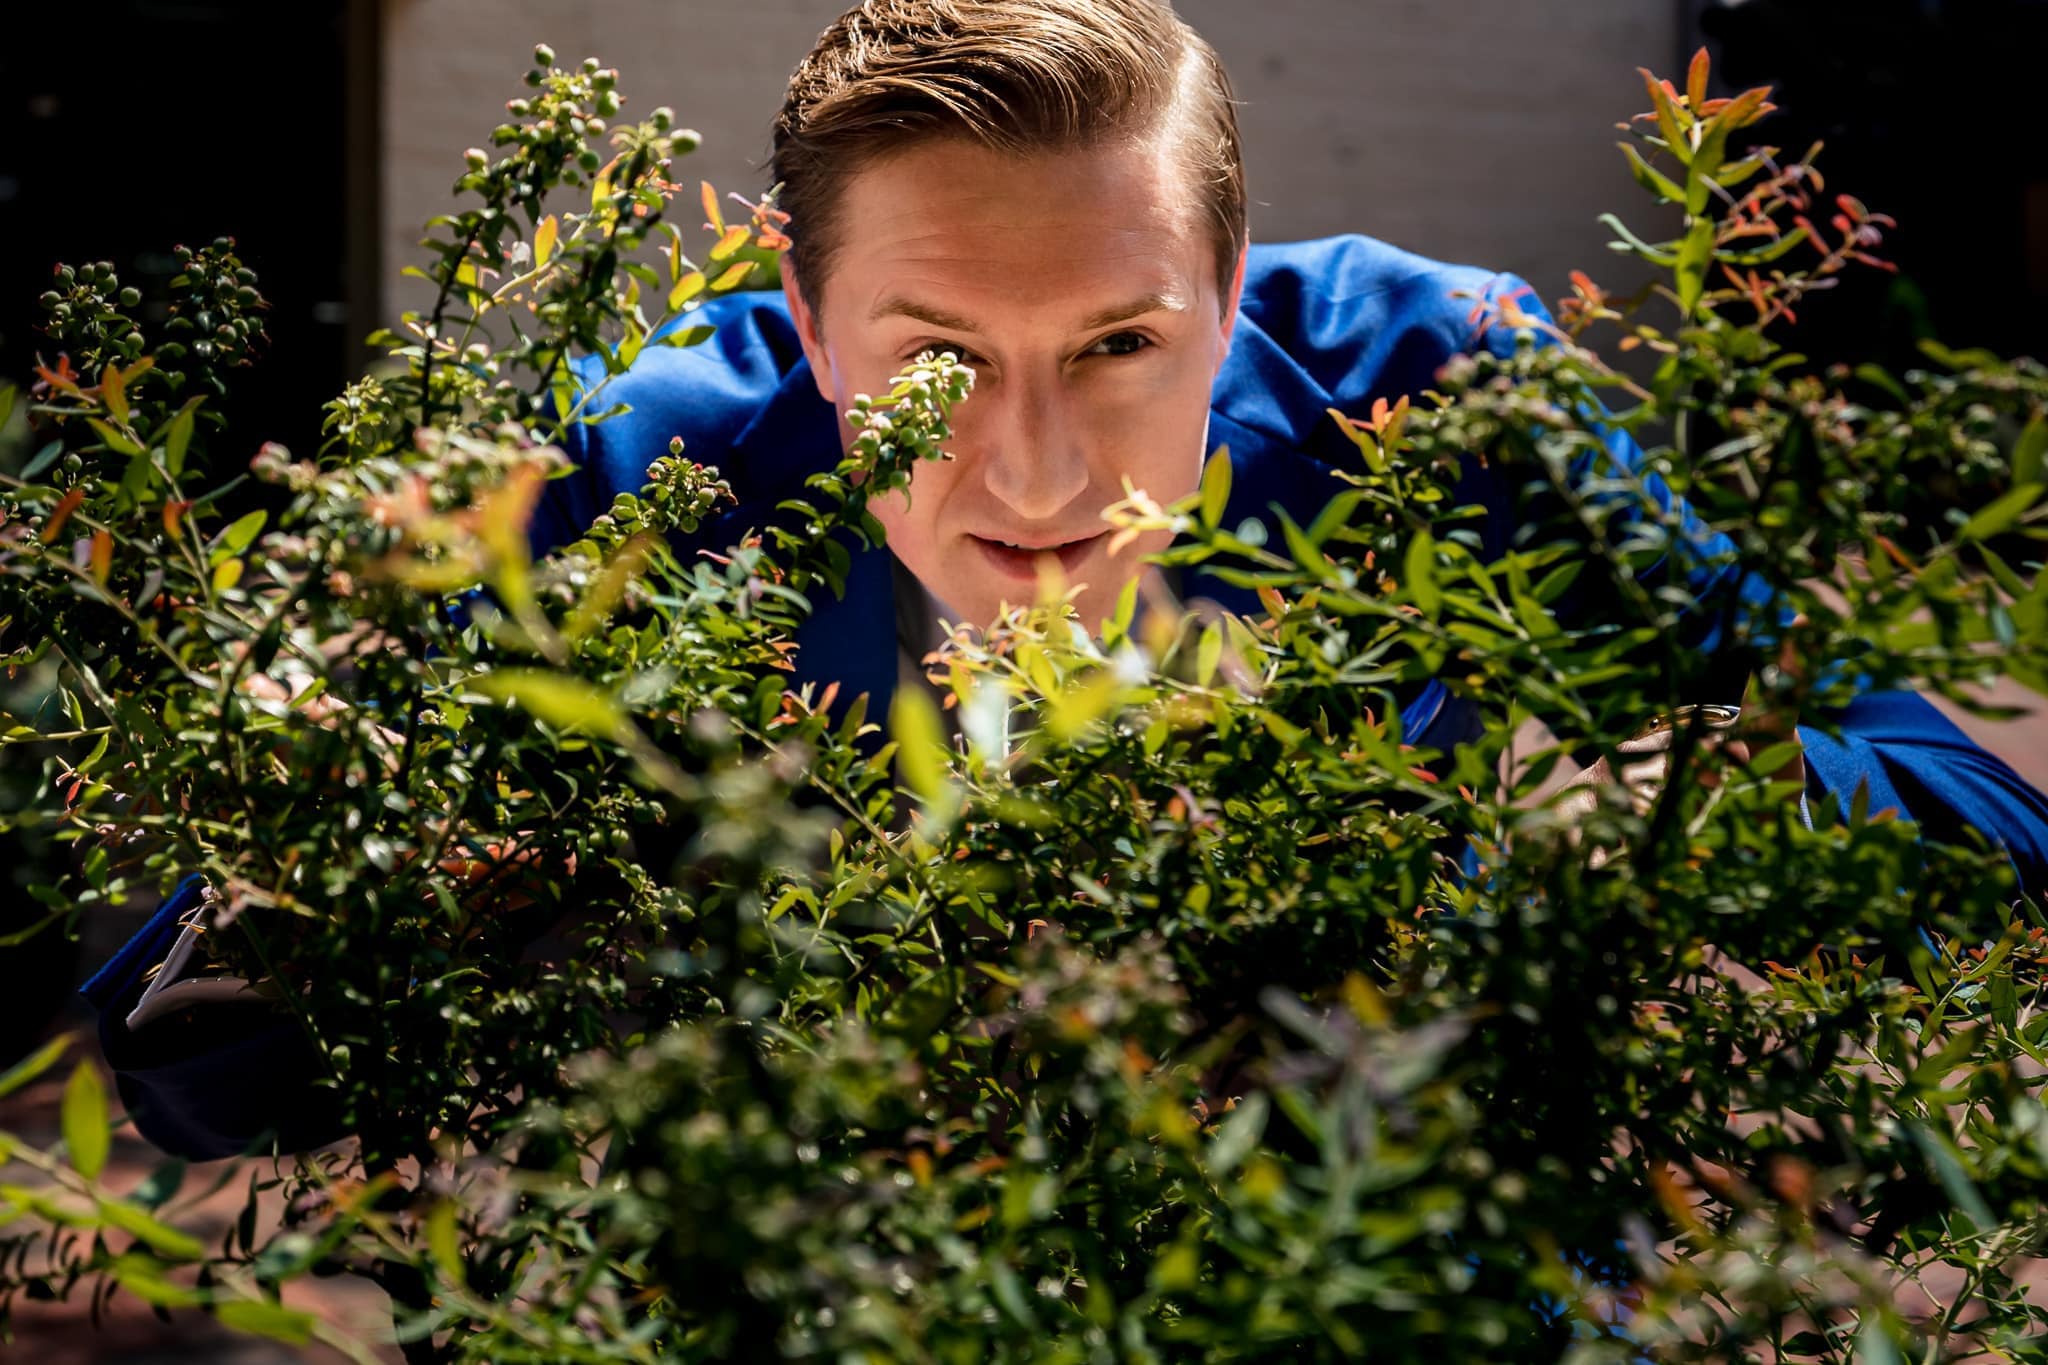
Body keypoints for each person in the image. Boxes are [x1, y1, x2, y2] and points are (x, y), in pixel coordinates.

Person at [86, 0, 2048, 1160]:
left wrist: (1576, 831)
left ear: (1231, 289)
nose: (1029, 474)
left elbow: (1970, 813)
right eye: (934, 362)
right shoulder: (659, 470)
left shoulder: (1441, 385)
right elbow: (184, 1057)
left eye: (1119, 345)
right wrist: (424, 868)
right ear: (809, 326)